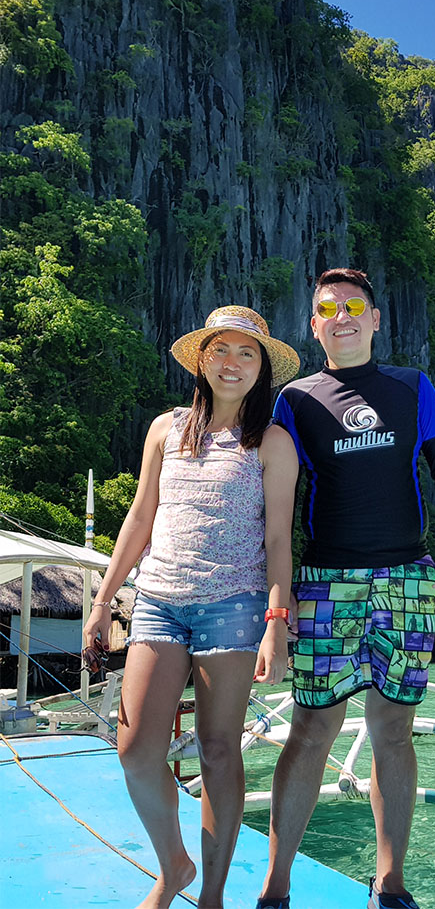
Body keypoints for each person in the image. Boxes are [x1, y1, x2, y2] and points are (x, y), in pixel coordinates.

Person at [256, 268, 435, 909]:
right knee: (311, 728)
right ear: (315, 322)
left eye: (356, 306)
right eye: (329, 308)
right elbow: (275, 505)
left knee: (393, 731)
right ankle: (276, 886)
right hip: (325, 580)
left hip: (408, 576)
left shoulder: (412, 387)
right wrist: (280, 597)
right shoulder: (294, 401)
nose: (343, 316)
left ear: (376, 319)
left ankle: (390, 881)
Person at [83, 306, 300, 909]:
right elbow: (140, 516)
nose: (232, 363)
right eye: (221, 350)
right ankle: (172, 865)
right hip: (157, 600)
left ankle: (212, 893)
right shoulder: (166, 428)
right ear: (201, 359)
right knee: (135, 751)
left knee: (220, 748)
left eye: (247, 353)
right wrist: (104, 599)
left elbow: (279, 539)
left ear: (262, 369)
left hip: (235, 605)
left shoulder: (272, 442)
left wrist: (276, 623)